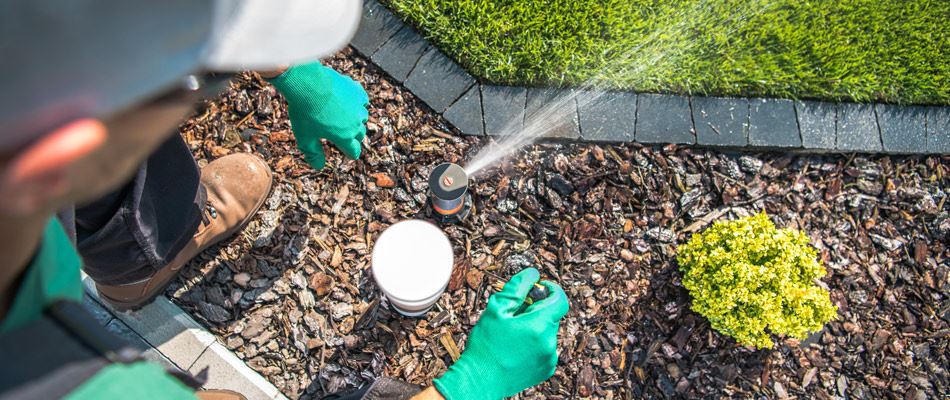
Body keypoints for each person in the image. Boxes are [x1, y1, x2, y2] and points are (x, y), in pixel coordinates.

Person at [0, 1, 570, 399]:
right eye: (198, 85)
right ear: (62, 152)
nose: (208, 93)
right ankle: (135, 261)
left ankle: (137, 254)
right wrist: (468, 388)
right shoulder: (59, 379)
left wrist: (290, 71)